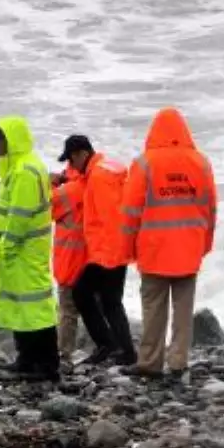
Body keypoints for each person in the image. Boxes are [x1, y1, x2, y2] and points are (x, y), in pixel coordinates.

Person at [121, 107, 217, 380]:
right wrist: (205, 245)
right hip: (189, 249)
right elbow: (210, 210)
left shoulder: (144, 163)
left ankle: (150, 362)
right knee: (183, 310)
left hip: (154, 250)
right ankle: (178, 362)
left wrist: (128, 249)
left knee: (153, 309)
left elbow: (130, 212)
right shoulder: (201, 163)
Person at [0, 117, 60, 381]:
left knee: (36, 305)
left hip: (25, 249)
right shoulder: (19, 166)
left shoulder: (25, 171)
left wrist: (8, 245)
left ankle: (48, 365)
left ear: (11, 139)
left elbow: (20, 215)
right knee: (22, 305)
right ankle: (27, 359)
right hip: (20, 250)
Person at [58, 135, 136, 367]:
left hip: (108, 252)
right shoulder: (107, 169)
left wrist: (104, 257)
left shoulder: (98, 178)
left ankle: (108, 345)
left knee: (82, 293)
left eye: (72, 161)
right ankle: (125, 352)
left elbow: (109, 219)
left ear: (81, 154)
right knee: (111, 302)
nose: (72, 167)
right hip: (118, 247)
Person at [50, 161, 87, 364]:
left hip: (70, 261)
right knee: (94, 308)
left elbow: (45, 206)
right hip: (91, 260)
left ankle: (65, 352)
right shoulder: (92, 186)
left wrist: (52, 184)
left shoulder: (69, 191)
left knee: (67, 312)